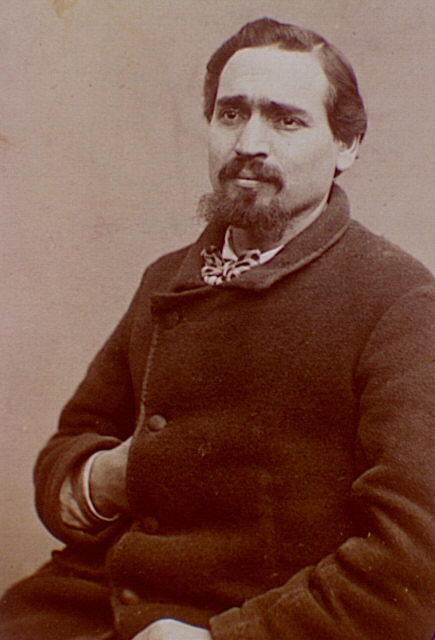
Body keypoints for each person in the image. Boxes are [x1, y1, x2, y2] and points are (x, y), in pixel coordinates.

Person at [1, 16, 434, 640]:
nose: (249, 143)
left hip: (249, 622)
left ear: (347, 146)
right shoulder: (166, 276)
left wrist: (224, 639)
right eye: (232, 114)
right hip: (94, 600)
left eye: (286, 120)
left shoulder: (399, 299)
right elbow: (71, 444)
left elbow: (411, 560)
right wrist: (106, 478)